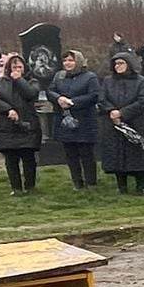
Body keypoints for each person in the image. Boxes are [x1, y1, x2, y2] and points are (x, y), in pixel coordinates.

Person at [0, 53, 42, 196]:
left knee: (28, 158)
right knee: (11, 159)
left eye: (20, 67)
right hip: (6, 126)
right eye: (14, 67)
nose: (17, 69)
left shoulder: (32, 82)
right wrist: (7, 109)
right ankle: (16, 188)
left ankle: (30, 186)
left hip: (27, 125)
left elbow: (31, 94)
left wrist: (19, 80)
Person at [46, 50, 101, 191]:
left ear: (78, 61)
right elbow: (50, 91)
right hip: (64, 120)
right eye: (65, 61)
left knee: (86, 154)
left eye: (71, 60)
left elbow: (94, 95)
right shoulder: (59, 76)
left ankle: (91, 183)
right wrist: (58, 99)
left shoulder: (90, 77)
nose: (67, 63)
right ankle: (77, 182)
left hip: (84, 120)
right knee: (70, 154)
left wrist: (73, 102)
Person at [100, 50, 144, 196]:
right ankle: (121, 187)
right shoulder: (108, 81)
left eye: (121, 63)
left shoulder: (140, 81)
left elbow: (143, 101)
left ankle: (140, 187)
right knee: (117, 156)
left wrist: (122, 113)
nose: (118, 66)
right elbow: (102, 98)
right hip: (113, 123)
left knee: (137, 154)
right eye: (116, 64)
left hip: (135, 122)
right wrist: (111, 111)